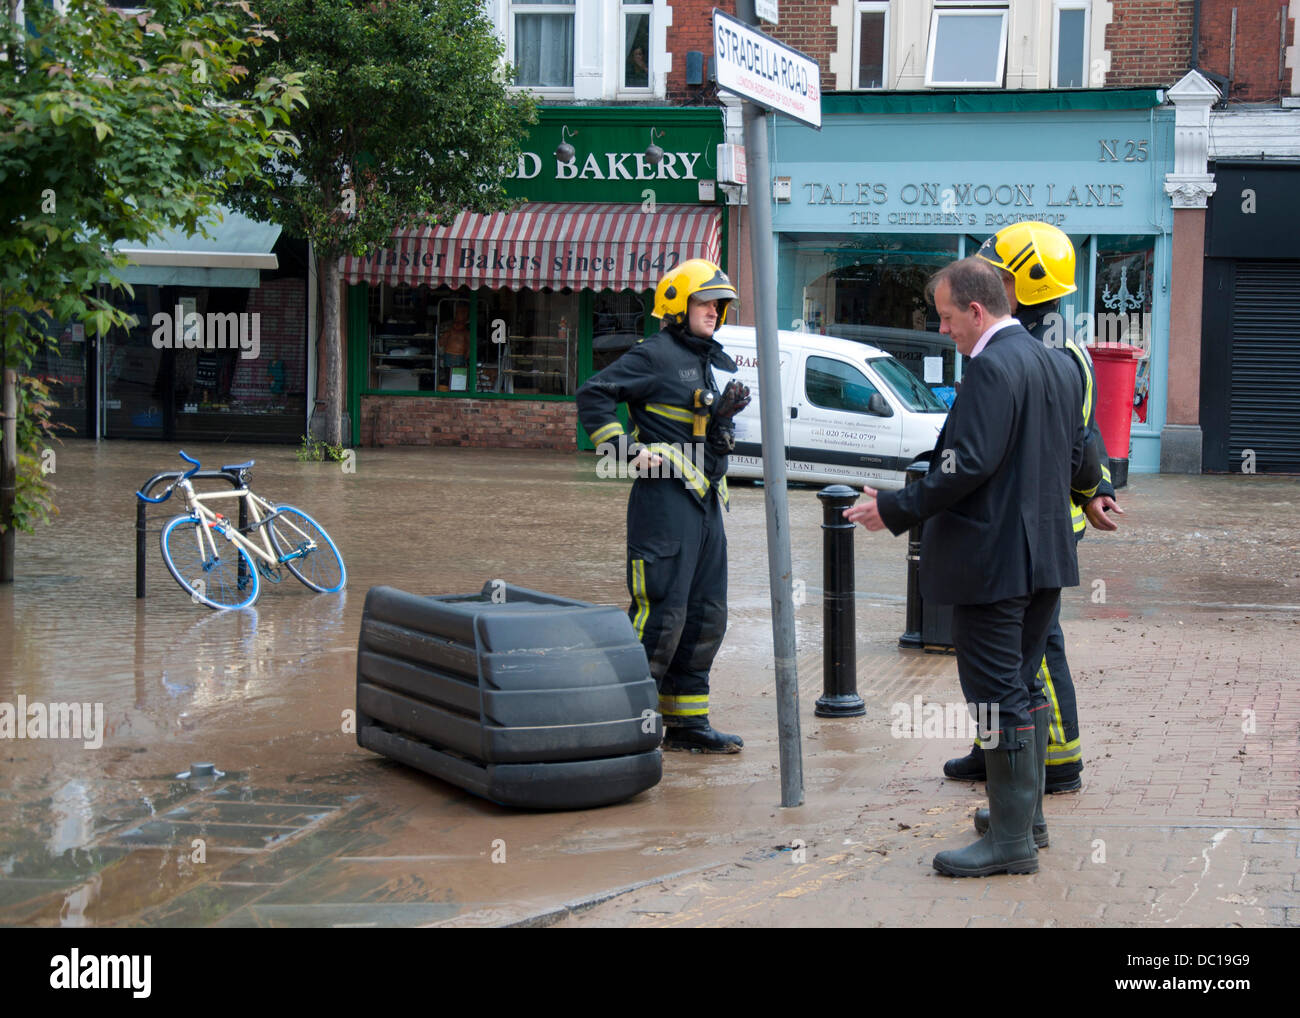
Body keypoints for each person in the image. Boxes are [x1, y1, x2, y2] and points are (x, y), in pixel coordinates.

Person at [845, 257, 1101, 876]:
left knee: (995, 696)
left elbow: (972, 461)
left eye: (947, 316)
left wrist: (900, 506)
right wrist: (1098, 492)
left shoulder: (992, 366)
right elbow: (1077, 453)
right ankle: (1025, 821)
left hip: (994, 565)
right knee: (1024, 683)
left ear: (978, 311)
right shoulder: (1058, 362)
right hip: (1046, 561)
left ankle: (1010, 845)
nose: (943, 329)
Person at [938, 222, 1122, 799]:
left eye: (995, 270)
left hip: (1033, 527)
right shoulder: (1046, 345)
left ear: (1020, 283)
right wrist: (1097, 488)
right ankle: (995, 747)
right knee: (1013, 654)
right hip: (1036, 520)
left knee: (1034, 651)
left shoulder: (1046, 353)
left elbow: (1077, 437)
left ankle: (1057, 760)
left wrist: (1092, 489)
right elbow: (1085, 436)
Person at [576, 259, 750, 753]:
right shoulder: (653, 354)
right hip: (663, 503)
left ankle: (687, 724)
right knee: (660, 616)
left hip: (706, 503)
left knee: (706, 616)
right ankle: (626, 721)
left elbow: (699, 432)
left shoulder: (707, 360)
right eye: (705, 302)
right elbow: (594, 394)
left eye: (720, 304)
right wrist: (626, 451)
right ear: (677, 305)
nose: (715, 311)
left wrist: (719, 425)